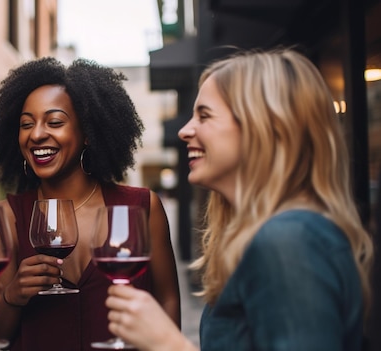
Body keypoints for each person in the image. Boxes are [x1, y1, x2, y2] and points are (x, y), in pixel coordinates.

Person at [104, 49, 374, 350]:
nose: (184, 131)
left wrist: (168, 343)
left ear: (265, 127)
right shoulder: (276, 234)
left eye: (204, 116)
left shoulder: (289, 240)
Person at [0, 57, 181, 350]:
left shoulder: (141, 207)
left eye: (54, 122)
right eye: (27, 124)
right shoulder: (5, 217)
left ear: (88, 132)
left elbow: (168, 300)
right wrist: (13, 295)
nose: (37, 134)